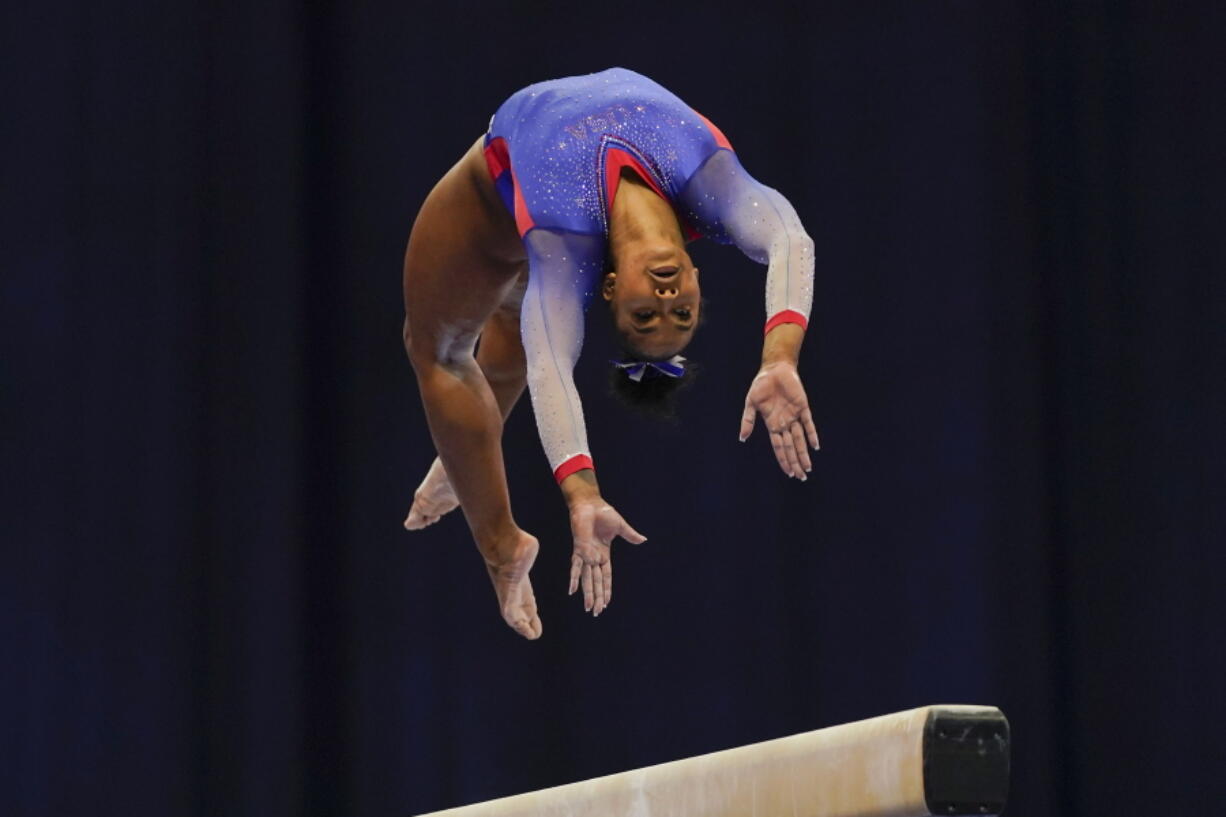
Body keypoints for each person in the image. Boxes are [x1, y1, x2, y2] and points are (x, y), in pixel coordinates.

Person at [402, 68, 818, 640]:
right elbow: (790, 240)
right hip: (529, 209)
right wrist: (779, 358)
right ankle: (462, 459)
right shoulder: (708, 184)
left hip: (494, 200)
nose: (668, 301)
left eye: (644, 316)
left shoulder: (563, 242)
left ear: (611, 288)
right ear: (697, 277)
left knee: (440, 352)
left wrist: (583, 495)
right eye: (682, 313)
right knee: (507, 341)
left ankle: (500, 545)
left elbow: (552, 367)